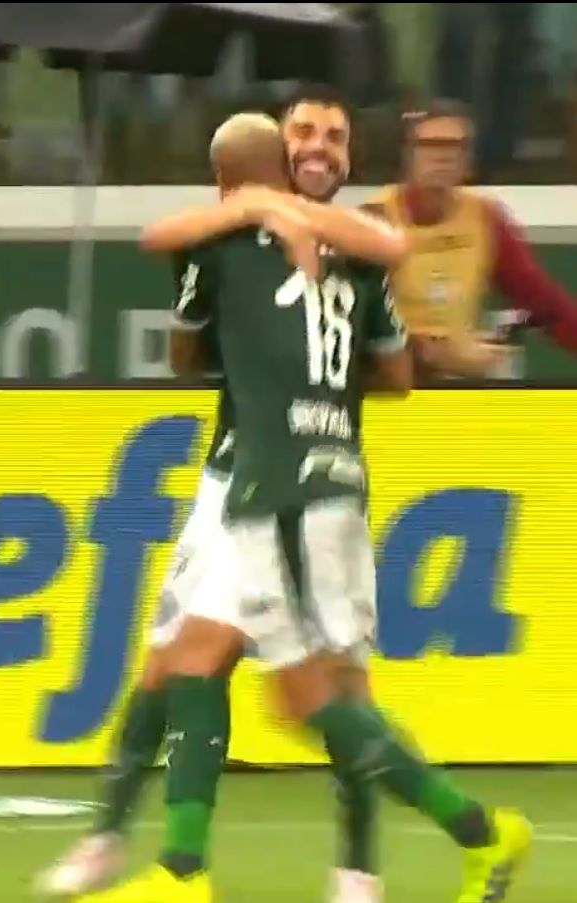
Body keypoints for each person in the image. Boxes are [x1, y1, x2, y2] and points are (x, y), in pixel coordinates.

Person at [80, 114, 532, 903]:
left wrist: (255, 229)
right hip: (319, 477)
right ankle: (184, 871)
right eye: (303, 138)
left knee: (311, 696)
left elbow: (168, 278)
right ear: (283, 160)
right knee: (203, 659)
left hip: (282, 484)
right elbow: (395, 370)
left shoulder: (234, 244)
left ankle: (479, 832)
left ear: (226, 182)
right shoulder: (354, 250)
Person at [37, 92, 401, 903]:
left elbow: (394, 357)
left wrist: (311, 389)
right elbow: (181, 320)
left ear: (350, 157)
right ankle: (129, 845)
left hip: (312, 480)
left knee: (329, 683)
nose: (319, 146)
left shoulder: (358, 244)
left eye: (336, 136)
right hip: (235, 474)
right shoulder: (228, 235)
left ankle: (361, 865)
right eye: (303, 131)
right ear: (276, 150)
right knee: (176, 656)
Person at [362, 100, 577, 379]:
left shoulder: (485, 219)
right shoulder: (373, 217)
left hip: (462, 382)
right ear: (407, 156)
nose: (442, 157)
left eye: (455, 146)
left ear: (469, 161)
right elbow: (357, 325)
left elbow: (543, 302)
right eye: (430, 145)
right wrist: (430, 352)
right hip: (390, 383)